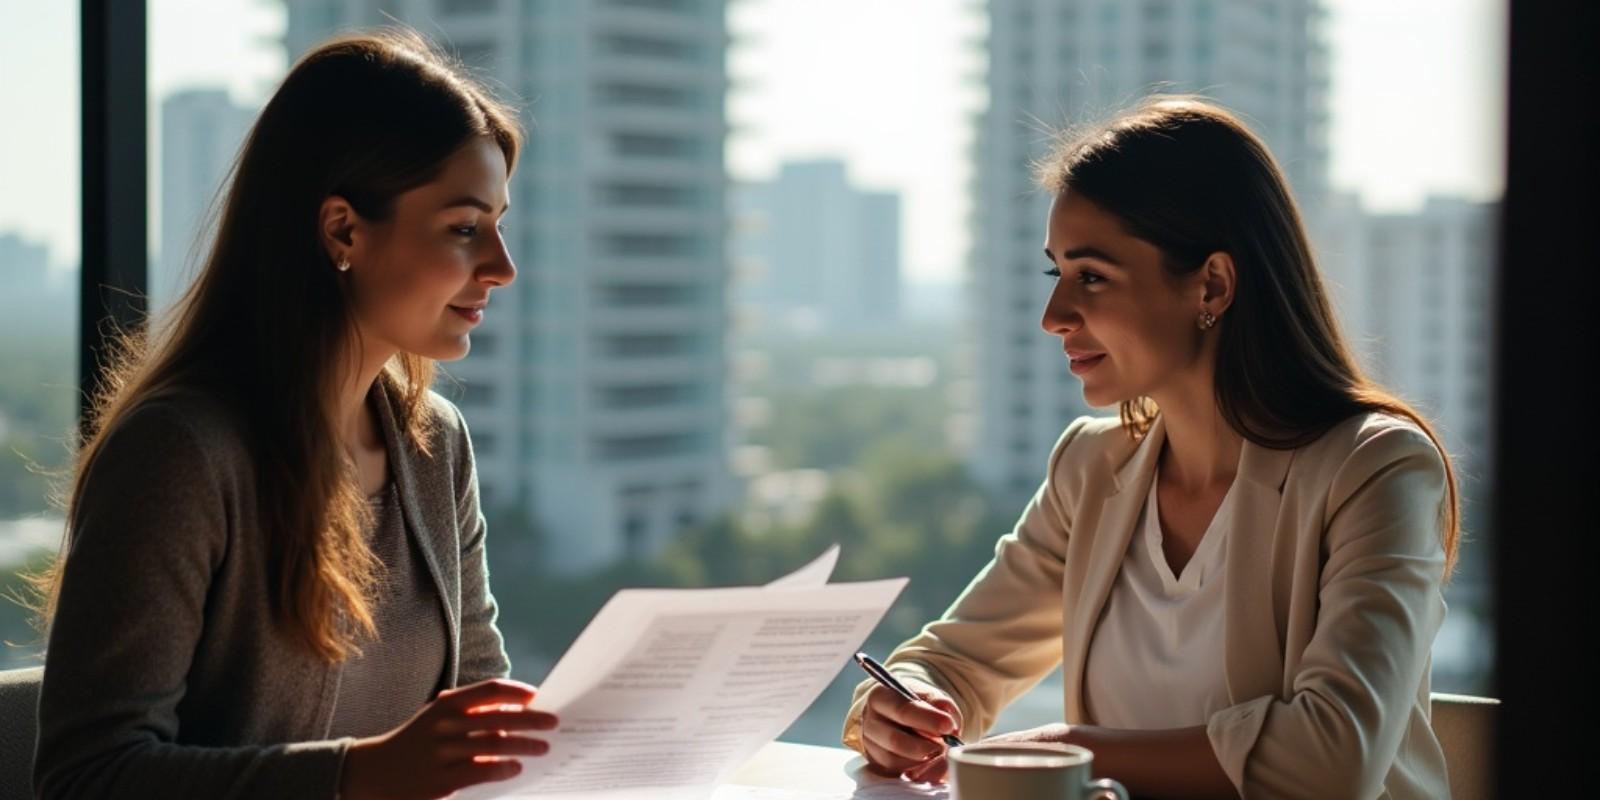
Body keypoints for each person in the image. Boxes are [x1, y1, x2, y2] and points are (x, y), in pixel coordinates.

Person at [842, 98, 1459, 799]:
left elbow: (1333, 757)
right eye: (1057, 275)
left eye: (1093, 277)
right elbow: (952, 662)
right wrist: (897, 710)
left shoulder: (1376, 470)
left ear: (1213, 284)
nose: (1054, 317)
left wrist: (1067, 749)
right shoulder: (1092, 468)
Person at [31, 30, 553, 800]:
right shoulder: (179, 455)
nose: (502, 268)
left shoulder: (435, 445)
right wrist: (359, 774)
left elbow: (478, 714)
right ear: (343, 229)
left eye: (499, 225)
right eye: (464, 228)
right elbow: (86, 777)